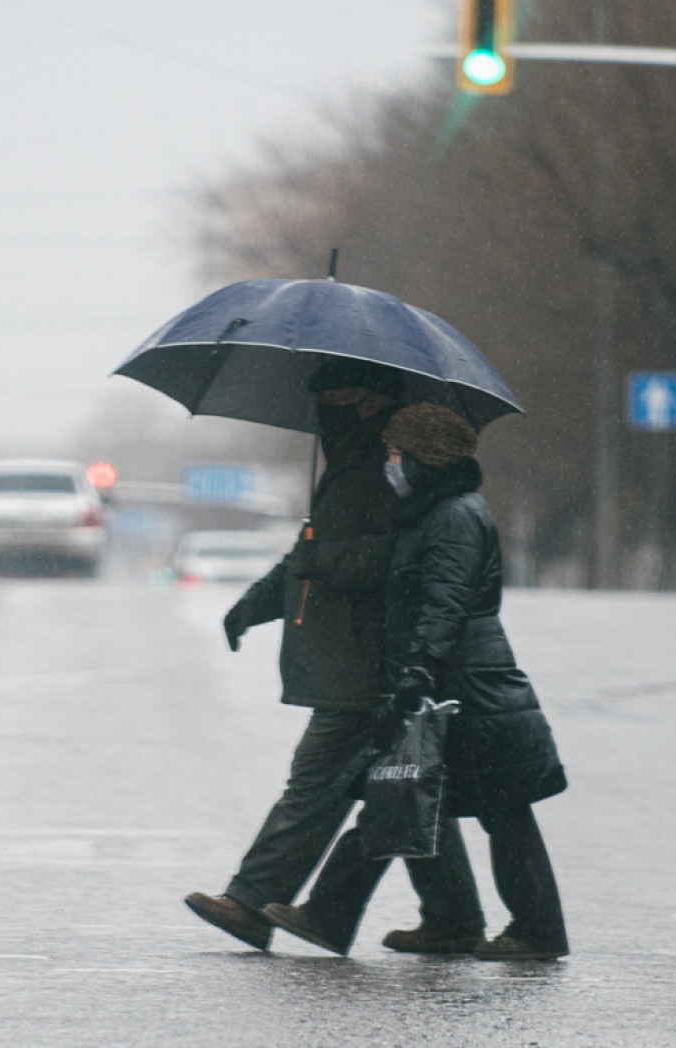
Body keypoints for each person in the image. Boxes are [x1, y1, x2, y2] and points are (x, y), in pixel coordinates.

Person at [185, 361, 482, 954]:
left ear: (369, 399)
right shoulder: (348, 465)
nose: (322, 403)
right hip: (349, 653)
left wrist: (327, 565)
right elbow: (310, 550)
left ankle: (248, 904)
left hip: (366, 658)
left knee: (316, 783)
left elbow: (394, 562)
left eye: (335, 393)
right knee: (402, 783)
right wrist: (256, 602)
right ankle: (453, 916)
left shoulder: (386, 470)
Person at [261, 402, 571, 961]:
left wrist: (419, 671)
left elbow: (445, 601)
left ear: (426, 457)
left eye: (398, 454)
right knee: (402, 796)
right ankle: (436, 922)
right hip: (458, 681)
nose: (392, 464)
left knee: (459, 804)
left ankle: (536, 931)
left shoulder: (454, 515)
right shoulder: (433, 511)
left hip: (468, 688)